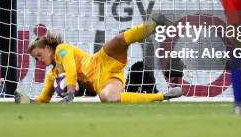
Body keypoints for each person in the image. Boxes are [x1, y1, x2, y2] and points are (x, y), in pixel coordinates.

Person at [14, 15, 182, 104]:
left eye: (38, 55)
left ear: (48, 48)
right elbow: (44, 99)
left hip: (101, 60)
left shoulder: (61, 50)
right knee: (108, 98)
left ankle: (155, 25)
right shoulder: (53, 76)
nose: (38, 60)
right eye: (35, 59)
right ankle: (162, 96)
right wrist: (28, 102)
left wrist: (71, 92)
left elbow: (71, 68)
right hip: (106, 80)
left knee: (118, 41)